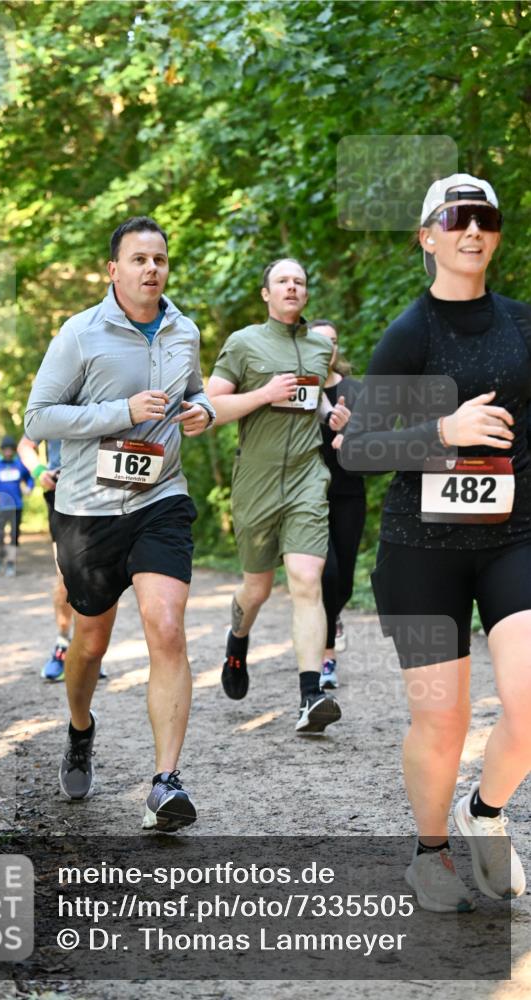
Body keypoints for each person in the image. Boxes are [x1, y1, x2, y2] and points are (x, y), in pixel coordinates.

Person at [341, 174, 530, 912]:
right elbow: (358, 447)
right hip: (420, 549)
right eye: (454, 219)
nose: (471, 230)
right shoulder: (409, 333)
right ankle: (430, 855)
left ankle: (481, 814)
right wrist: (441, 433)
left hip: (516, 535)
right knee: (442, 718)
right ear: (427, 237)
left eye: (483, 217)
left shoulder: (522, 325)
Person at [24, 215, 214, 832]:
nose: (151, 269)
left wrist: (203, 411)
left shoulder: (183, 330)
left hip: (161, 498)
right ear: (114, 270)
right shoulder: (80, 334)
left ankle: (166, 781)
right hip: (90, 509)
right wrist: (119, 412)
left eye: (159, 259)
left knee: (166, 628)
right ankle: (80, 730)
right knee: (91, 644)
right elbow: (38, 419)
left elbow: (197, 390)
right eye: (139, 259)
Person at [207, 258, 350, 735]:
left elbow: (317, 398)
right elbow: (212, 406)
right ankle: (237, 636)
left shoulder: (317, 347)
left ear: (306, 294)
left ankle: (311, 696)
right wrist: (264, 393)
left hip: (308, 476)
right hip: (257, 479)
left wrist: (332, 416)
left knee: (307, 579)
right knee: (258, 588)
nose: (292, 287)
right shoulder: (243, 343)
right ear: (266, 293)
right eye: (283, 281)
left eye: (300, 281)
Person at [17, 435, 106, 683]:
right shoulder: (55, 396)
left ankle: (90, 649)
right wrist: (38, 471)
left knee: (98, 578)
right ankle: (64, 643)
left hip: (102, 493)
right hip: (62, 493)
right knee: (66, 578)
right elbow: (25, 445)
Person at [309, 319, 366, 690]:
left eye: (332, 341)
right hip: (309, 494)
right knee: (326, 574)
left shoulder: (355, 390)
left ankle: (334, 615)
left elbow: (372, 436)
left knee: (343, 578)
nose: (326, 347)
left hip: (349, 493)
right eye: (318, 341)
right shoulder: (298, 391)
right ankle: (326, 656)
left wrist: (350, 435)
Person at [0, 435, 34, 576]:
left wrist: (29, 487)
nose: (8, 452)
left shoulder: (20, 463)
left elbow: (30, 478)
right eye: (6, 450)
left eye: (11, 450)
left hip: (16, 506)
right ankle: (0, 554)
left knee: (14, 536)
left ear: (14, 450)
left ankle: (11, 563)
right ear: (2, 450)